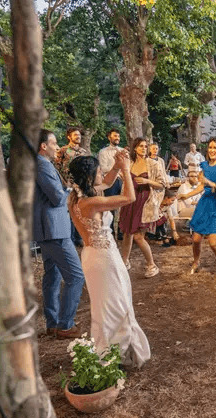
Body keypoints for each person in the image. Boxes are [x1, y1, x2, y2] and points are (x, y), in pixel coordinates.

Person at [68, 154, 151, 367]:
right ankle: (116, 351)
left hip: (91, 256)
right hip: (105, 259)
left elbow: (106, 183)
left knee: (104, 306)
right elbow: (129, 199)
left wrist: (115, 166)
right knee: (117, 303)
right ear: (88, 177)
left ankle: (111, 346)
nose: (102, 174)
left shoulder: (75, 198)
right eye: (97, 171)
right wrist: (125, 170)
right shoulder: (92, 202)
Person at [33, 129, 85, 339]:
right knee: (76, 276)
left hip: (48, 228)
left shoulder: (39, 163)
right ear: (43, 146)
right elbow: (56, 197)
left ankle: (53, 323)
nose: (57, 147)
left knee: (52, 276)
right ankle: (65, 324)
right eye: (54, 143)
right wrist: (72, 191)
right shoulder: (42, 164)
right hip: (53, 228)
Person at [179, 137, 216, 280]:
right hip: (204, 205)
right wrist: (186, 195)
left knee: (213, 242)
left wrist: (213, 184)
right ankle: (196, 261)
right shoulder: (204, 166)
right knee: (196, 239)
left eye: (215, 148)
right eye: (210, 147)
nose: (212, 150)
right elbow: (201, 186)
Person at [118, 137, 167, 278]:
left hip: (145, 202)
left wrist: (147, 181)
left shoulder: (153, 164)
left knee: (139, 236)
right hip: (130, 201)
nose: (144, 148)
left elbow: (162, 184)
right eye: (141, 146)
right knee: (127, 233)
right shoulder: (130, 164)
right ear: (135, 148)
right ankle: (125, 261)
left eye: (145, 146)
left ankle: (152, 265)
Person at [97, 128, 124, 239]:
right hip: (110, 182)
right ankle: (110, 231)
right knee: (110, 207)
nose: (117, 138)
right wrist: (117, 169)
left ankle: (122, 231)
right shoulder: (103, 152)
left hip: (122, 181)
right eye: (114, 136)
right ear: (109, 137)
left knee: (123, 206)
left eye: (118, 136)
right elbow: (104, 168)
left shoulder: (123, 151)